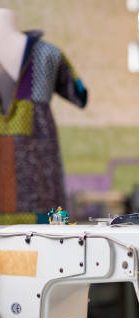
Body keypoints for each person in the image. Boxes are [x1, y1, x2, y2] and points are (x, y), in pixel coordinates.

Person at [0, 8, 87, 219]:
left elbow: (80, 95)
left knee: (48, 239)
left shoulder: (49, 54)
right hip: (41, 180)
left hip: (40, 189)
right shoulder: (51, 54)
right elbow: (80, 92)